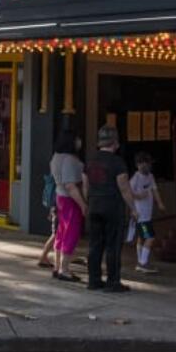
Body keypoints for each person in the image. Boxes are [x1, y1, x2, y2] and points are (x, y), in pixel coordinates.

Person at [83, 125, 137, 293]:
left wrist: (89, 201)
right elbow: (124, 188)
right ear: (115, 143)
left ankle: (94, 280)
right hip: (112, 207)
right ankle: (113, 282)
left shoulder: (90, 160)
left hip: (94, 205)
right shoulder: (117, 162)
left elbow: (85, 186)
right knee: (113, 246)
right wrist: (133, 208)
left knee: (94, 244)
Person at [49, 127, 87, 282]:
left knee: (61, 232)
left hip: (60, 197)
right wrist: (83, 204)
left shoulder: (56, 157)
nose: (79, 142)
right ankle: (64, 269)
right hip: (70, 200)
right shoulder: (69, 160)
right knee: (71, 232)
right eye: (77, 138)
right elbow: (70, 185)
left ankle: (57, 266)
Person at [129, 151, 166, 275]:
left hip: (147, 214)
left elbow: (154, 190)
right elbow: (128, 192)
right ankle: (143, 263)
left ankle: (141, 261)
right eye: (144, 164)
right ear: (138, 165)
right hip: (140, 215)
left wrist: (159, 203)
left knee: (141, 238)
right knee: (150, 237)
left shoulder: (150, 176)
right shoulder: (135, 178)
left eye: (149, 164)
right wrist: (138, 196)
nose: (147, 166)